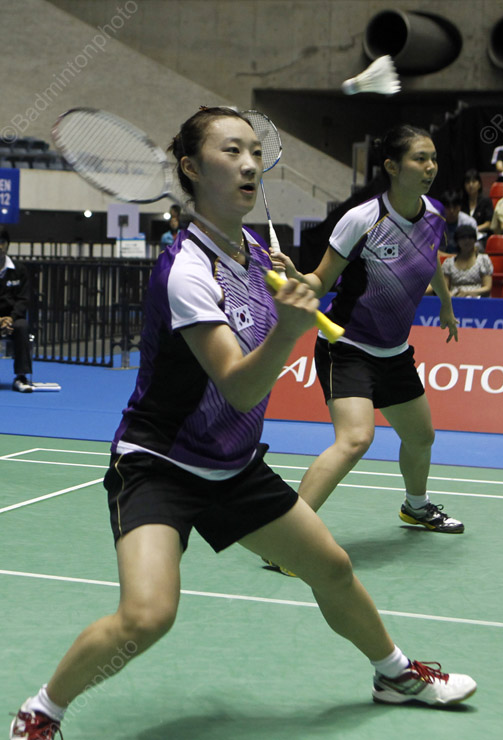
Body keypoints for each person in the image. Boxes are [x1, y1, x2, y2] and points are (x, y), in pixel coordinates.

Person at [10, 109, 476, 740]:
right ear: (191, 168)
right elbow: (238, 385)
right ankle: (42, 711)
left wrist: (293, 287)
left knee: (332, 567)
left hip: (231, 465)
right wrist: (290, 328)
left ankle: (394, 674)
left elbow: (277, 307)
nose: (251, 164)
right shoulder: (186, 270)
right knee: (148, 615)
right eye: (232, 152)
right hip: (161, 465)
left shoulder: (251, 250)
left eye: (256, 151)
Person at [273, 124, 465, 538]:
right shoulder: (362, 220)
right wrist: (296, 277)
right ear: (392, 167)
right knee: (356, 439)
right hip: (346, 347)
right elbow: (321, 282)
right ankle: (287, 538)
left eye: (433, 159)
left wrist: (446, 305)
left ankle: (416, 507)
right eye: (419, 159)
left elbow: (430, 256)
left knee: (421, 437)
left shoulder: (433, 214)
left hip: (394, 352)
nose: (430, 167)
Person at [0, 229, 33, 392]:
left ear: (7, 245)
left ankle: (21, 377)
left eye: (2, 242)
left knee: (22, 326)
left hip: (12, 319)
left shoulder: (19, 270)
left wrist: (10, 318)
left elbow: (23, 299)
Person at [442, 224, 493, 297]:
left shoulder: (483, 260)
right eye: (463, 238)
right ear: (457, 241)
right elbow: (444, 289)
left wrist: (468, 293)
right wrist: (452, 295)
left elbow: (487, 287)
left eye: (470, 238)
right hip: (454, 299)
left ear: (475, 240)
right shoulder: (448, 263)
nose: (467, 241)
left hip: (478, 299)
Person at [460, 168, 493, 246]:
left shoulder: (486, 201)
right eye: (468, 182)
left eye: (474, 181)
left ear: (479, 184)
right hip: (463, 237)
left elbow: (488, 224)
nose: (471, 185)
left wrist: (474, 229)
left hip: (481, 237)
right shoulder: (461, 202)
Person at [440, 189, 478, 254]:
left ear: (460, 207)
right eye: (448, 207)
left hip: (464, 257)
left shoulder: (469, 222)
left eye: (455, 207)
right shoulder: (435, 223)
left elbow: (474, 247)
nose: (451, 211)